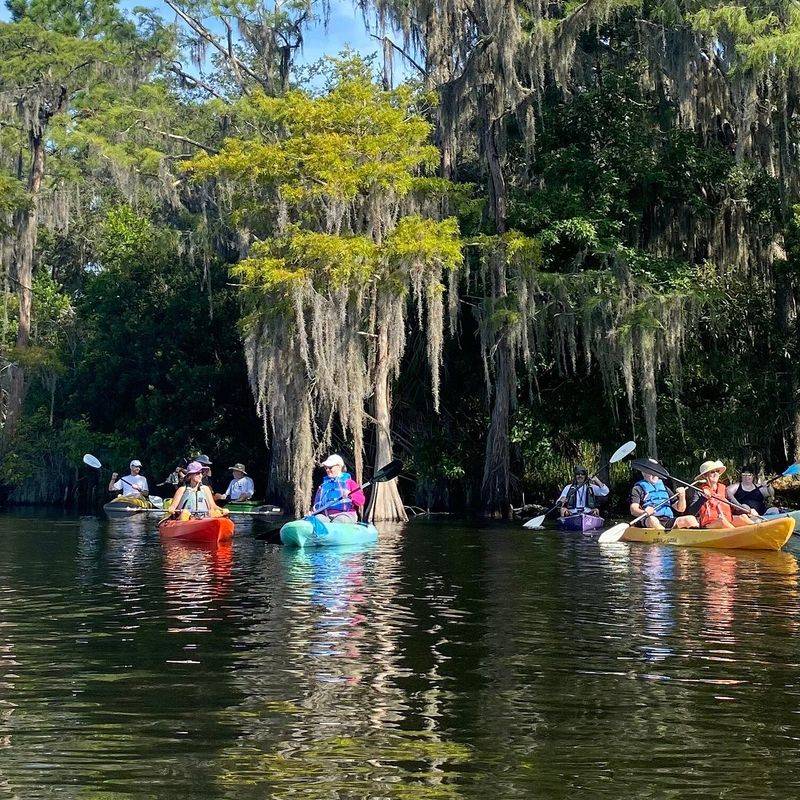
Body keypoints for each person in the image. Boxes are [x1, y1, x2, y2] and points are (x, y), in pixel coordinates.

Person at [629, 459, 699, 530]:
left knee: (691, 519)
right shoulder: (638, 488)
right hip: (647, 520)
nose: (654, 475)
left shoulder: (665, 489)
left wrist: (682, 496)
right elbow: (633, 510)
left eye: (655, 472)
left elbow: (681, 509)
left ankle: (697, 538)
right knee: (653, 520)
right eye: (651, 473)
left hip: (667, 520)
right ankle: (665, 537)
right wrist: (644, 512)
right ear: (643, 473)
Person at [688, 459, 756, 528]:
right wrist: (703, 498)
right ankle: (735, 534)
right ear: (705, 476)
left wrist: (749, 510)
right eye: (712, 472)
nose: (716, 474)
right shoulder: (699, 491)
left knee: (743, 517)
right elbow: (691, 512)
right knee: (722, 521)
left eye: (717, 471)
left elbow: (737, 506)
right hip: (710, 525)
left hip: (727, 521)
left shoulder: (724, 490)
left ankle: (758, 530)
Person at [312, 454, 365, 523]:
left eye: (330, 467)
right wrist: (312, 511)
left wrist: (351, 495)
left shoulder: (350, 483)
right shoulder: (323, 486)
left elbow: (361, 501)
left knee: (340, 520)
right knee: (317, 519)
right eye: (326, 468)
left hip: (345, 515)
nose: (327, 470)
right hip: (326, 516)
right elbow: (317, 504)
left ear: (339, 467)